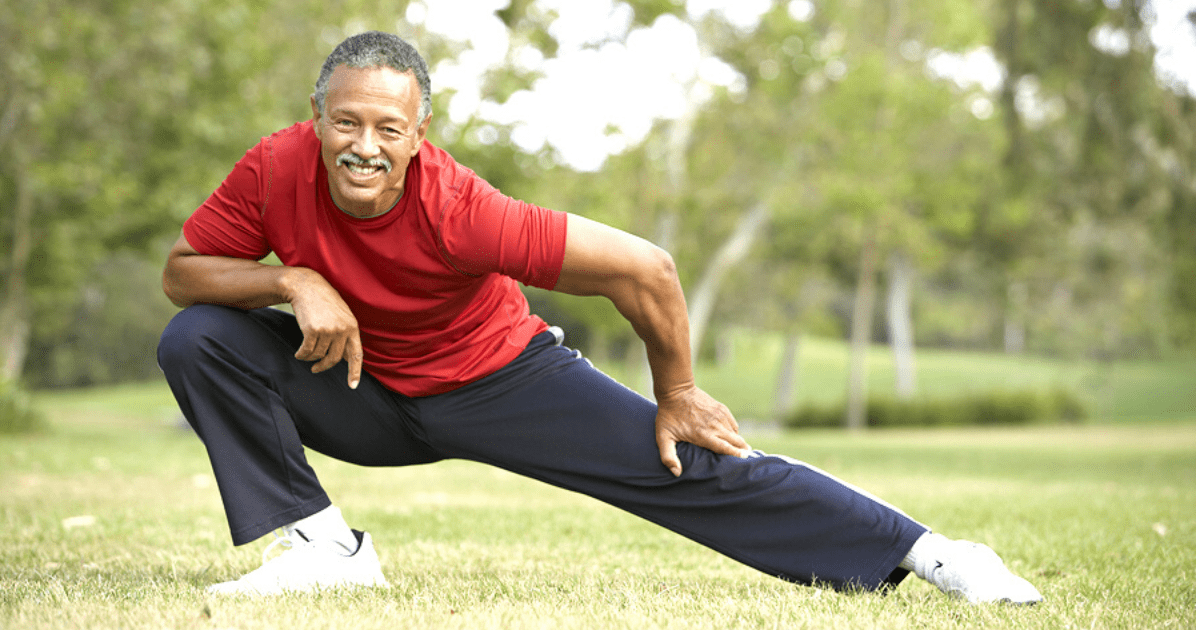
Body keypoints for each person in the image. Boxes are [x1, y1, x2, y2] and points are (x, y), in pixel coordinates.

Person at [157, 31, 1042, 605]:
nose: (364, 145)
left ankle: (939, 556)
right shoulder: (273, 169)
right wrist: (293, 282)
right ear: (315, 120)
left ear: (420, 134)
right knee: (198, 337)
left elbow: (644, 268)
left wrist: (681, 389)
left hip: (499, 380)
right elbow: (184, 274)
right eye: (345, 122)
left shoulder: (463, 211)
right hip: (359, 390)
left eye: (389, 129)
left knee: (690, 464)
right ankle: (329, 552)